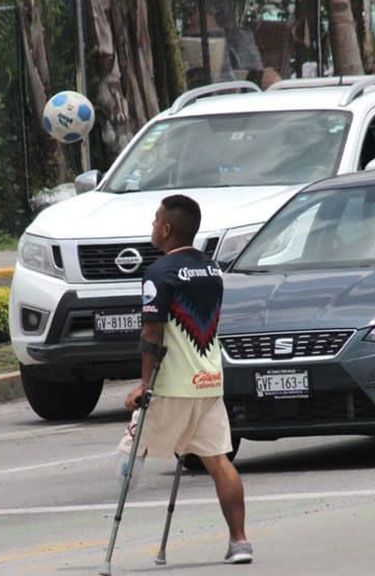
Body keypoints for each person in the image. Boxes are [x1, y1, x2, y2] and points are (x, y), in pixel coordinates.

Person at [121, 194, 252, 564]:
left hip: (174, 385)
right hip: (209, 382)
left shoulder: (158, 274)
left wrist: (145, 386)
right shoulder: (211, 270)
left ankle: (127, 478)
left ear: (166, 229)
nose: (151, 226)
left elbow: (152, 332)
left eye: (154, 221)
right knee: (219, 461)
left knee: (133, 437)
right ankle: (239, 542)